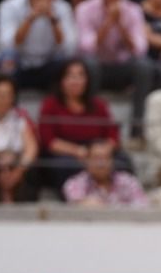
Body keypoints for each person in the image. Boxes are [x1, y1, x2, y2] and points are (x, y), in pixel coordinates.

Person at [38, 58, 119, 192]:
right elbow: (49, 140)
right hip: (66, 152)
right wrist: (78, 151)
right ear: (61, 81)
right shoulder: (50, 105)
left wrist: (101, 153)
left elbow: (112, 135)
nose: (75, 81)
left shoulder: (99, 104)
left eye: (80, 76)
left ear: (87, 80)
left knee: (122, 162)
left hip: (98, 150)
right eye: (70, 76)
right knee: (64, 165)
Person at [76, 0, 152, 135]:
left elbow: (140, 50)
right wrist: (108, 22)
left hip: (121, 68)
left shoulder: (133, 10)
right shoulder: (85, 8)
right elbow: (86, 47)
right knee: (88, 64)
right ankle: (90, 124)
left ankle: (137, 129)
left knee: (144, 66)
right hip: (96, 67)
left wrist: (121, 25)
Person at [0, 0, 76, 90]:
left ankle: (57, 101)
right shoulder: (9, 5)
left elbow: (69, 47)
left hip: (48, 66)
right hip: (21, 64)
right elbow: (7, 44)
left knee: (67, 63)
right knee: (7, 57)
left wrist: (53, 19)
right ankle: (6, 99)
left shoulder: (63, 7)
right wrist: (30, 18)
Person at [64, 136, 146, 206]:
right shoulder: (74, 184)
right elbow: (74, 208)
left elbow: (143, 206)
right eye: (96, 158)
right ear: (86, 160)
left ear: (112, 161)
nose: (101, 163)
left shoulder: (129, 181)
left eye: (106, 158)